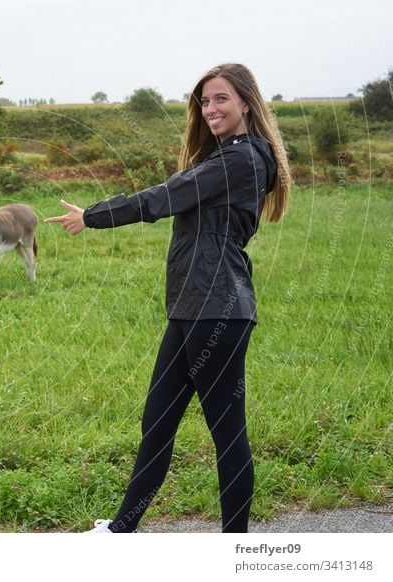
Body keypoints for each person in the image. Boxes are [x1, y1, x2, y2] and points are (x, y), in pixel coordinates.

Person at [45, 63, 290, 533]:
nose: (211, 108)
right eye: (204, 100)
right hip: (191, 308)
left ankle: (234, 547)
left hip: (218, 309)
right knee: (157, 422)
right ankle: (121, 530)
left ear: (245, 102)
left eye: (221, 98)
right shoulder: (227, 159)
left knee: (226, 432)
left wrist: (93, 215)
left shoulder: (241, 160)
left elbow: (164, 196)